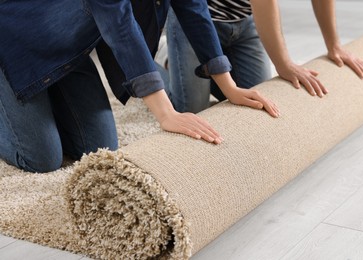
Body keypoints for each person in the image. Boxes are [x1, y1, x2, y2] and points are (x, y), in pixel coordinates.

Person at [0, 0, 279, 173]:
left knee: (97, 149)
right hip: (13, 45)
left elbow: (194, 8)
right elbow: (119, 24)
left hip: (67, 54)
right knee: (41, 159)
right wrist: (166, 114)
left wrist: (229, 86)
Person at [166, 0, 363, 113]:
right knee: (193, 111)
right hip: (197, 23)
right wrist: (284, 64)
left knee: (258, 102)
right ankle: (163, 61)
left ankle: (205, 69)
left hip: (246, 21)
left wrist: (334, 45)